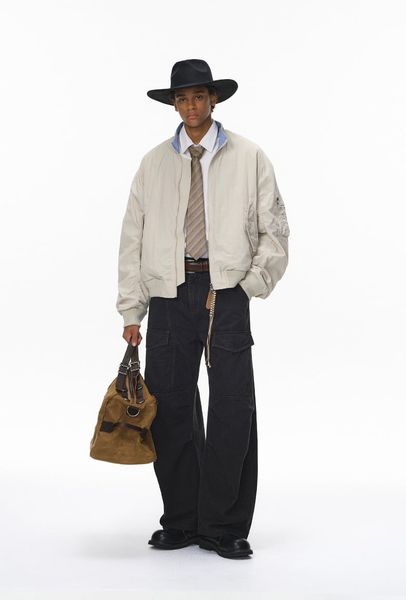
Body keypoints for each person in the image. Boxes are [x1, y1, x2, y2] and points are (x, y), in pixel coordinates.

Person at [116, 58, 290, 559]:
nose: (190, 106)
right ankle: (182, 519)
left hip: (225, 292)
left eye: (198, 96)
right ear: (173, 105)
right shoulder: (153, 163)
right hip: (168, 293)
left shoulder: (248, 156)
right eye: (181, 98)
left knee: (232, 407)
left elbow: (275, 227)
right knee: (168, 407)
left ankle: (225, 525)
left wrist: (250, 284)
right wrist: (132, 310)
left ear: (213, 100)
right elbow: (132, 238)